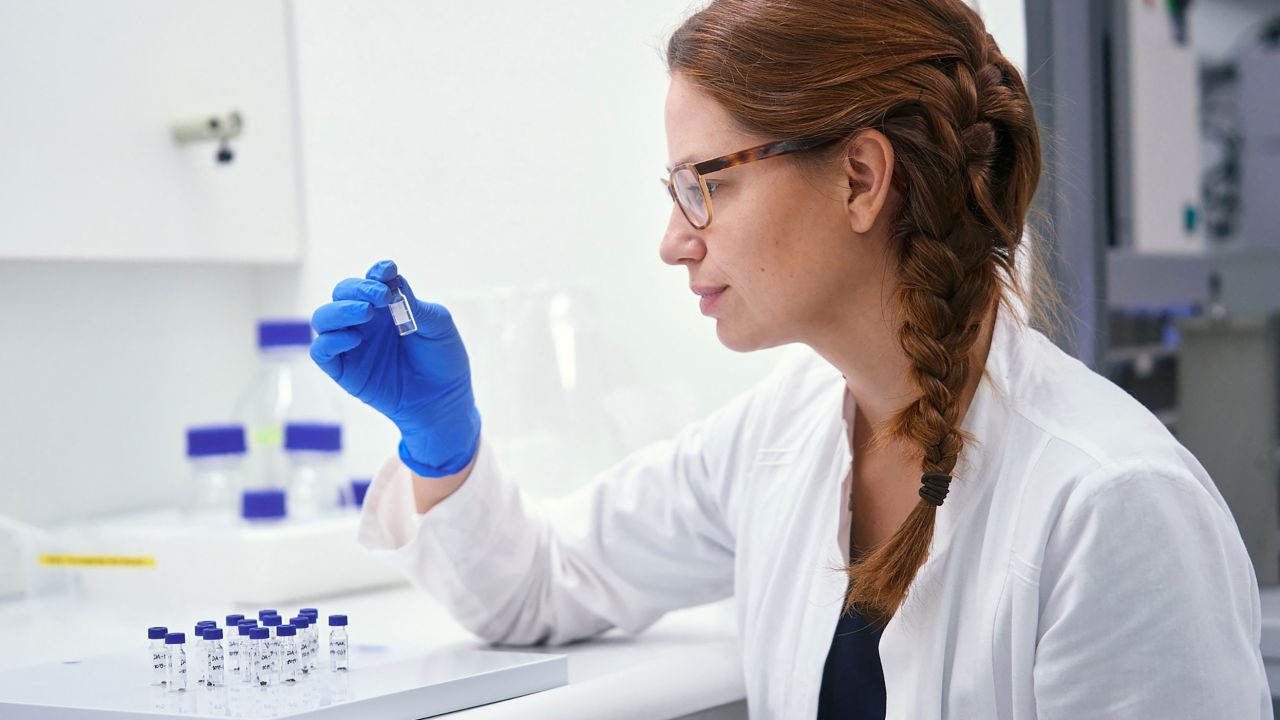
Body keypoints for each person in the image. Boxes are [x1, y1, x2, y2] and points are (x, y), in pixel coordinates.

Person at [307, 0, 1269, 717]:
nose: (674, 240)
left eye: (702, 185)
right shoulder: (784, 434)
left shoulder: (1111, 505)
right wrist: (441, 441)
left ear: (860, 178)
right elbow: (542, 587)